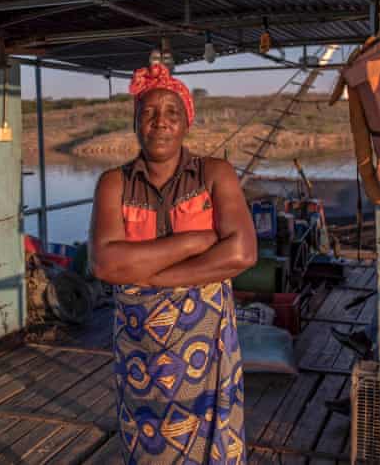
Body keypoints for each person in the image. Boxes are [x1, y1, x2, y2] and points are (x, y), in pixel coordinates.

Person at [90, 61, 257, 464]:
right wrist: (197, 240)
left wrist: (150, 274)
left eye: (171, 113)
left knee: (211, 436)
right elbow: (105, 264)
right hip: (139, 346)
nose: (160, 122)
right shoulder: (114, 182)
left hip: (206, 342)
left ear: (186, 123)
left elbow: (241, 253)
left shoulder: (214, 174)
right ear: (135, 123)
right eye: (148, 112)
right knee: (145, 434)